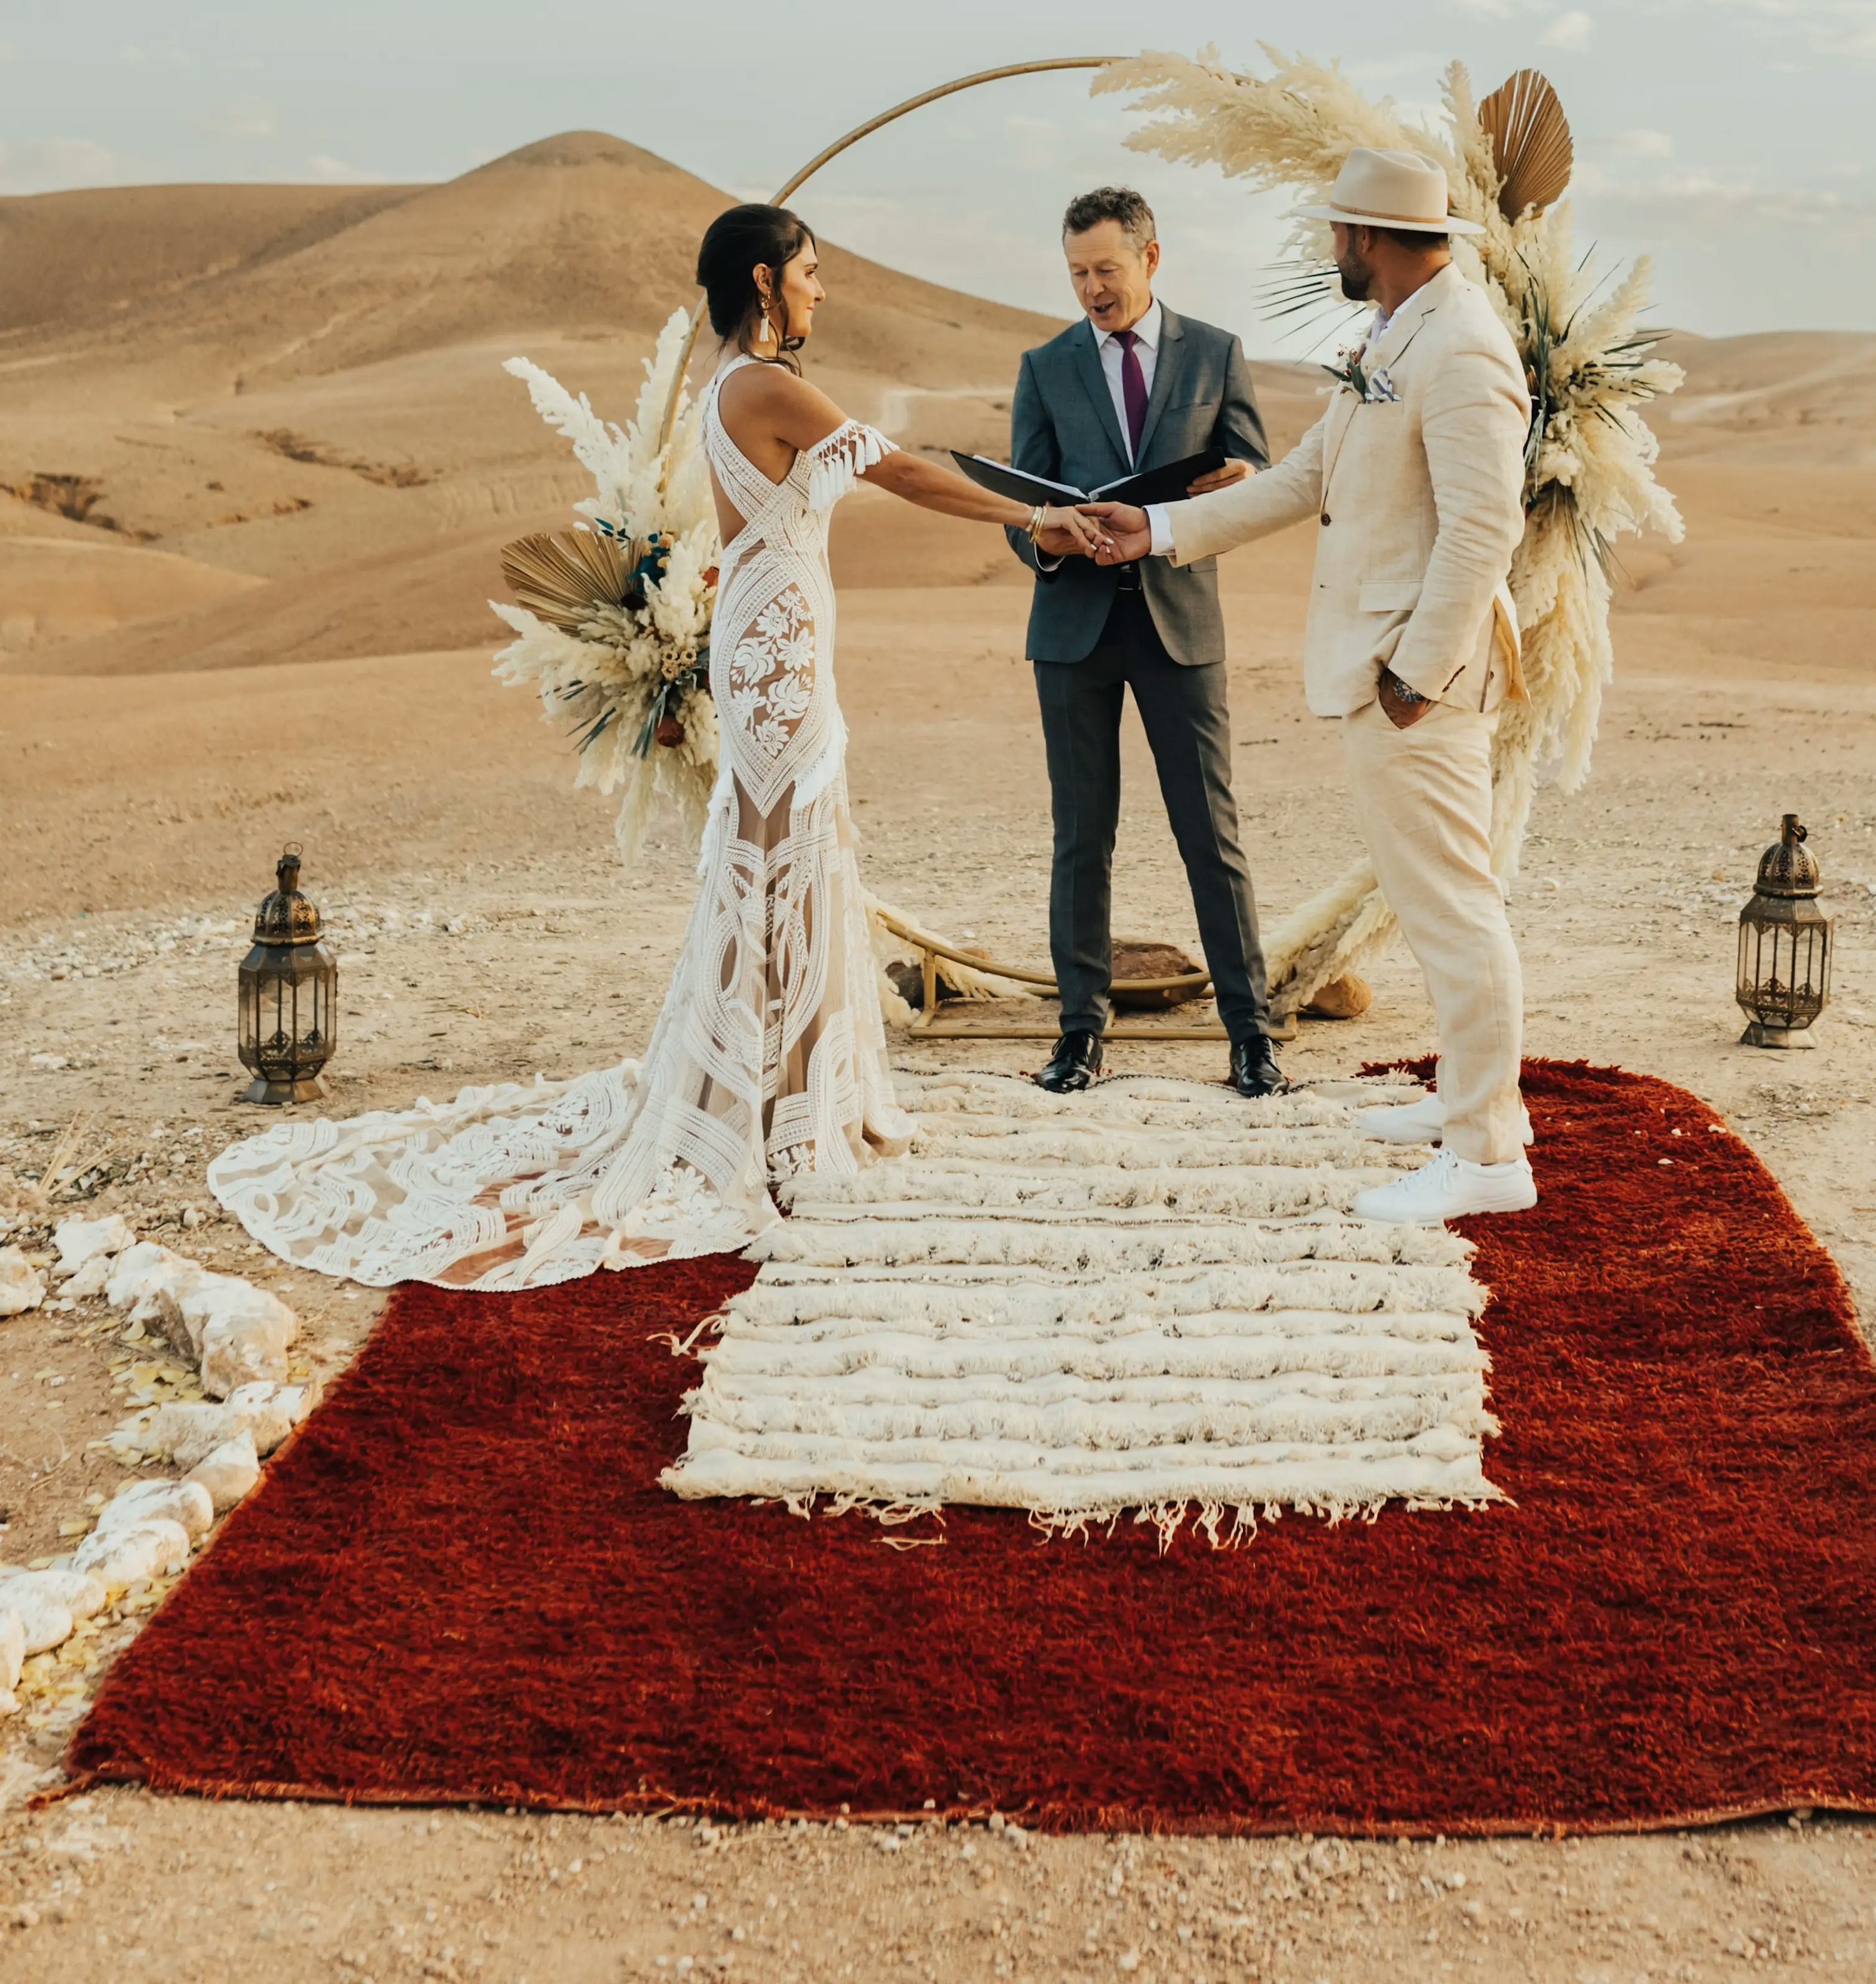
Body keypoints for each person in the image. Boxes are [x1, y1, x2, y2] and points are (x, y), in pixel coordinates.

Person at [205, 204, 1066, 1292]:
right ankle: (788, 1120)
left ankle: (784, 1095)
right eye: (810, 272)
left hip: (777, 630)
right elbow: (899, 470)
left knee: (789, 850)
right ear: (765, 279)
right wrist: (1033, 520)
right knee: (785, 854)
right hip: (779, 650)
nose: (821, 290)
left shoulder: (728, 381)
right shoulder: (762, 385)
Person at [1080, 147, 1537, 1225]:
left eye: (1337, 230)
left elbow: (1484, 529)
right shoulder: (1396, 335)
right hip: (1384, 668)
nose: (1329, 246)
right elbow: (1302, 481)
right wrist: (1150, 530)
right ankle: (1472, 1107)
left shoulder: (1462, 349)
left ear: (1367, 238)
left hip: (1412, 675)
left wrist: (1417, 674)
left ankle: (1485, 1157)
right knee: (1434, 901)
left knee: (1456, 907)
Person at [1005, 187, 1287, 1101]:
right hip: (1073, 629)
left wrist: (1227, 488)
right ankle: (1081, 1034)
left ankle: (1251, 1037)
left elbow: (1258, 481)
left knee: (1212, 832)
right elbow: (1020, 509)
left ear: (1151, 259)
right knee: (1081, 836)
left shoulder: (1217, 354)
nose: (1093, 288)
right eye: (1079, 272)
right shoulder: (1044, 366)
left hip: (1180, 622)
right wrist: (1044, 532)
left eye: (1107, 270)